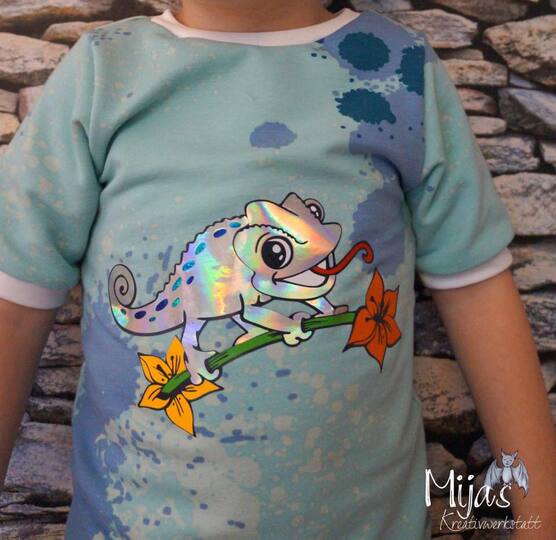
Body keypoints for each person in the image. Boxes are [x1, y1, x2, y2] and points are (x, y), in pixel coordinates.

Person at [0, 0, 554, 538]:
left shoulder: (396, 68)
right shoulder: (105, 69)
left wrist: (542, 517)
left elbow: (475, 287)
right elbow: (16, 305)